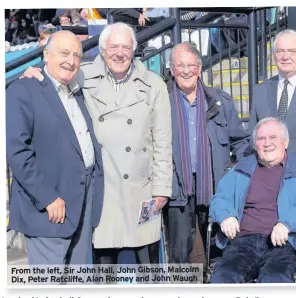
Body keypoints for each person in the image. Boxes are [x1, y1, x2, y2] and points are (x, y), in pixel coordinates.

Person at [21, 22, 172, 268]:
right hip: (103, 192)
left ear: (134, 50)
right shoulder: (82, 75)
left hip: (143, 191)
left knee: (149, 267)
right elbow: (54, 75)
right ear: (102, 50)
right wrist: (33, 72)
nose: (120, 53)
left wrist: (162, 188)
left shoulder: (154, 85)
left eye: (126, 47)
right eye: (114, 46)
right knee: (104, 270)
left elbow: (163, 141)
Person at [6, 30, 104, 265]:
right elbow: (16, 152)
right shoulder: (23, 90)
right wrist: (48, 197)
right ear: (46, 54)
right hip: (49, 208)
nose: (71, 61)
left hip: (83, 201)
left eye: (77, 55)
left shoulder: (76, 89)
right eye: (64, 53)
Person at [209, 117, 296, 283]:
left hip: (282, 243)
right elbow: (220, 197)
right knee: (224, 277)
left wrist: (287, 223)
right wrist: (226, 215)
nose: (267, 143)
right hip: (243, 241)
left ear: (285, 142)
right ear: (255, 144)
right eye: (261, 139)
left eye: (273, 138)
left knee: (275, 281)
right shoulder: (243, 167)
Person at [166, 42, 250, 264]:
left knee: (218, 250)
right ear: (171, 69)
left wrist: (246, 174)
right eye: (180, 65)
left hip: (214, 185)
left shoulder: (220, 101)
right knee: (179, 254)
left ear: (200, 67)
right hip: (176, 188)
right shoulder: (161, 102)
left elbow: (239, 141)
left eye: (191, 65)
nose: (186, 71)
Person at [247, 29, 296, 154]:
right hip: (268, 169)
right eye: (280, 51)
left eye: (292, 51)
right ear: (274, 56)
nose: (285, 57)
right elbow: (252, 136)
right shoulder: (260, 91)